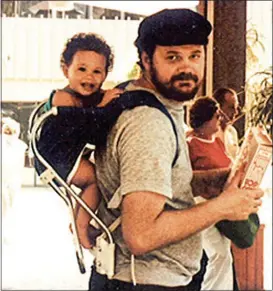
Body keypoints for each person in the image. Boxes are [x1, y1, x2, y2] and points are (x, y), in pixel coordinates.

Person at [85, 9, 263, 291]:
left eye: (195, 55)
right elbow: (141, 235)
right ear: (145, 59)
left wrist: (214, 181)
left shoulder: (143, 101)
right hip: (145, 282)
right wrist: (222, 208)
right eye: (172, 57)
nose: (187, 68)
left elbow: (155, 185)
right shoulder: (148, 122)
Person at [35, 32, 123, 249]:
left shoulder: (86, 97)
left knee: (93, 180)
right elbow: (84, 124)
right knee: (94, 180)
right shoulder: (63, 97)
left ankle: (79, 222)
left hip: (66, 155)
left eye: (97, 72)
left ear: (105, 75)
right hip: (53, 157)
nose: (89, 78)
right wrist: (102, 107)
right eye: (82, 69)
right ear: (66, 70)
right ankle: (81, 228)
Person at [187, 96, 236, 290]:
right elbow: (187, 178)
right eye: (217, 115)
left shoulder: (217, 142)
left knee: (224, 255)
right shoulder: (191, 144)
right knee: (219, 254)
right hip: (201, 205)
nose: (221, 118)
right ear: (206, 119)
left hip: (221, 204)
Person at [213, 87, 240, 161]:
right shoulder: (210, 132)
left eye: (236, 107)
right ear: (219, 109)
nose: (236, 112)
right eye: (231, 107)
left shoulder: (232, 131)